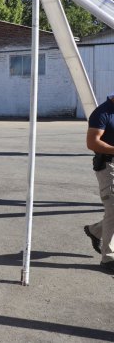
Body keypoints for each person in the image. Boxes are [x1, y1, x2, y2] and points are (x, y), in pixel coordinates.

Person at [84, 91, 114, 274]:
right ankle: (108, 258)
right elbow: (92, 142)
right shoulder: (102, 113)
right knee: (113, 210)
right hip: (109, 166)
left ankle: (95, 231)